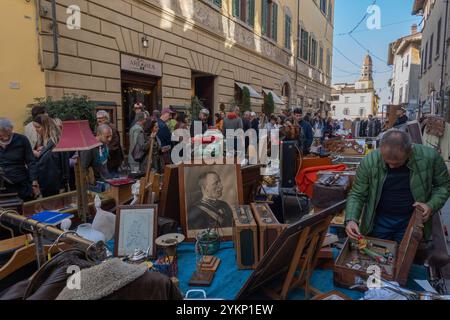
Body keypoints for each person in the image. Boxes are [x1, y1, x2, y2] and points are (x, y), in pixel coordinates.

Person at [345, 130, 450, 243]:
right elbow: (357, 193)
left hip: (410, 221)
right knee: (378, 253)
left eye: (397, 163)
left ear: (410, 152)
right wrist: (351, 219)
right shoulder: (370, 161)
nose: (392, 166)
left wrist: (431, 205)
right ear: (381, 150)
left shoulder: (430, 157)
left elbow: (443, 186)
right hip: (379, 221)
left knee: (405, 257)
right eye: (387, 162)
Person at [0, 118, 39, 201]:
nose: (4, 138)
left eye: (7, 134)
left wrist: (34, 182)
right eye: (1, 136)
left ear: (11, 129)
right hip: (2, 186)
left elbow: (31, 162)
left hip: (21, 183)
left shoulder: (21, 140)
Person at [33, 115, 68, 197]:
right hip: (45, 184)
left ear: (46, 127)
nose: (36, 130)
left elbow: (64, 163)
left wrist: (63, 185)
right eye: (35, 127)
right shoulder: (42, 141)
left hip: (56, 186)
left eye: (38, 127)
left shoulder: (58, 141)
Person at [96, 110, 123, 175]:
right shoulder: (100, 127)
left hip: (112, 160)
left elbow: (114, 145)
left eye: (100, 118)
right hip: (106, 161)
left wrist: (104, 154)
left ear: (106, 118)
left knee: (112, 179)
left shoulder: (111, 128)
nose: (98, 120)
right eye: (97, 118)